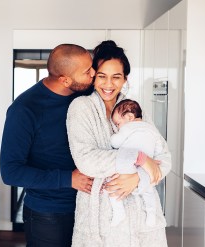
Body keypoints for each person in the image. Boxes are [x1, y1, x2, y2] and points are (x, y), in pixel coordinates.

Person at [66, 40, 171, 246]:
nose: (108, 84)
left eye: (116, 77)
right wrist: (141, 160)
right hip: (101, 218)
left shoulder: (135, 110)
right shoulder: (81, 108)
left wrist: (138, 178)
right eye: (102, 76)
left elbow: (164, 159)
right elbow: (87, 160)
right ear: (93, 77)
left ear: (125, 79)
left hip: (143, 218)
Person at [0, 43, 96, 247]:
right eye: (87, 71)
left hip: (88, 206)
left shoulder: (83, 96)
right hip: (48, 214)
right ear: (65, 79)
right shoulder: (24, 109)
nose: (94, 74)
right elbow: (10, 172)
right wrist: (68, 179)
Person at [109, 99, 164, 227]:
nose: (118, 127)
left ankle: (119, 212)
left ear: (129, 117)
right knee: (148, 191)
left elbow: (115, 143)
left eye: (118, 124)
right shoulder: (151, 129)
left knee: (111, 185)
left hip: (129, 162)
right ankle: (151, 215)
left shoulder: (128, 128)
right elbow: (159, 147)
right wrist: (154, 159)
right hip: (146, 167)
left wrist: (113, 137)